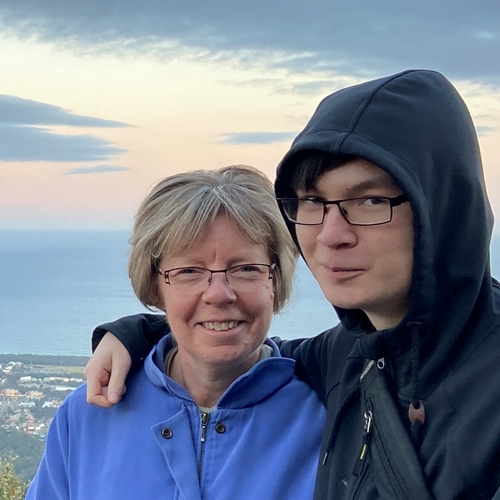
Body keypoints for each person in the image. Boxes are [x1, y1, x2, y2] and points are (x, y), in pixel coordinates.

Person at [85, 70, 500, 499]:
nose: (330, 234)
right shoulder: (350, 354)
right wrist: (132, 334)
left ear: (443, 204)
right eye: (313, 202)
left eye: (370, 200)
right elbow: (238, 344)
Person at [27, 166, 326, 499]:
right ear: (156, 288)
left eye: (245, 269)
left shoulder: (327, 423)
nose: (218, 294)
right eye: (189, 271)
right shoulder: (87, 416)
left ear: (275, 282)